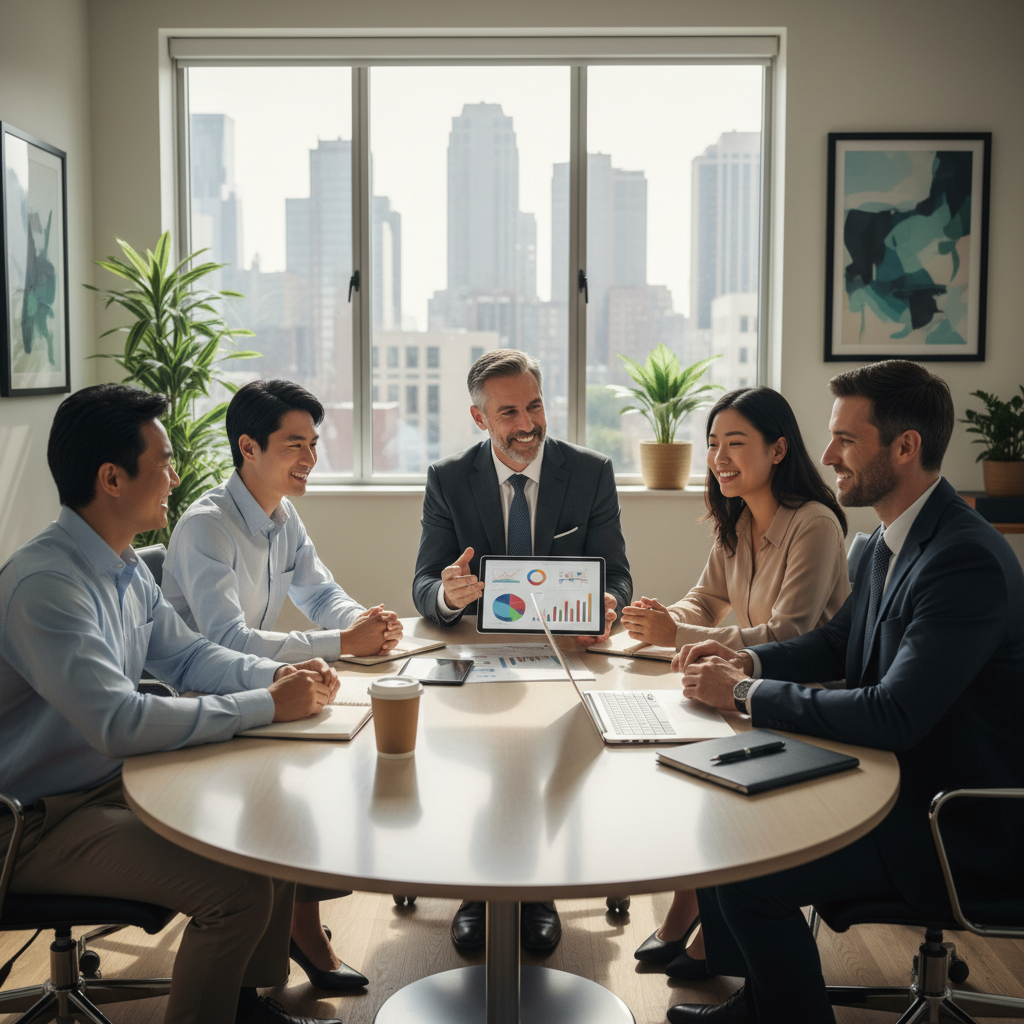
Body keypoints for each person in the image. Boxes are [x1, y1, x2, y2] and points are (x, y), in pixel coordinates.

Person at [665, 360, 1024, 1024]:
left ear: (905, 447)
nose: (826, 454)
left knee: (750, 874)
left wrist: (743, 692)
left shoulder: (962, 560)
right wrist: (741, 653)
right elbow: (836, 645)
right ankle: (764, 1005)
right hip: (892, 783)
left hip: (953, 823)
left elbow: (895, 713)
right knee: (722, 812)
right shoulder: (883, 544)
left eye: (846, 440)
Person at [0, 383, 346, 1024]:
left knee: (264, 829)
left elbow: (188, 657)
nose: (175, 473)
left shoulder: (124, 566)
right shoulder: (46, 586)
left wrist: (279, 676)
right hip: (30, 822)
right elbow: (118, 721)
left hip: (104, 787)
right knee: (237, 891)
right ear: (111, 478)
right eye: (162, 460)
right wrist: (268, 705)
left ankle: (247, 1004)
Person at [163, 377, 402, 991]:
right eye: (295, 444)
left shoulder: (282, 515)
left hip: (254, 686)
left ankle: (300, 929)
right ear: (248, 446)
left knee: (339, 753)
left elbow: (318, 591)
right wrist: (340, 645)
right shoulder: (206, 527)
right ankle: (296, 939)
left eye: (314, 443)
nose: (311, 458)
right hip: (198, 698)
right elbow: (226, 641)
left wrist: (362, 623)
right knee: (312, 772)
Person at [622, 387, 850, 981]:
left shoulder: (815, 523)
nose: (720, 456)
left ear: (778, 450)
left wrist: (678, 635)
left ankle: (695, 915)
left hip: (802, 705)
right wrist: (653, 621)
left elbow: (788, 633)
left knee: (694, 764)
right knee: (674, 753)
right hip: (745, 695)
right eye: (713, 444)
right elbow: (707, 597)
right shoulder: (741, 516)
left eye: (736, 443)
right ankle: (689, 905)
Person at [411, 347, 633, 954]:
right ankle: (477, 890)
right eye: (509, 411)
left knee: (553, 758)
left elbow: (617, 576)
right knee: (482, 759)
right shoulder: (449, 478)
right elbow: (424, 584)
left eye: (535, 404)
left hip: (565, 657)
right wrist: (450, 595)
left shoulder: (589, 471)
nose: (528, 422)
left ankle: (537, 889)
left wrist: (609, 606)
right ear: (481, 419)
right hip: (482, 655)